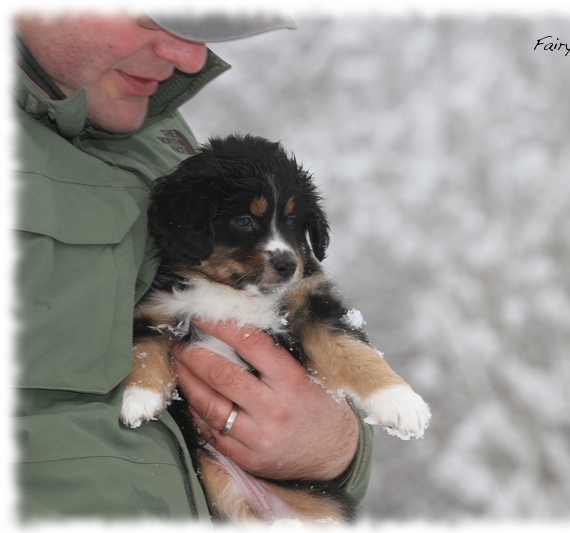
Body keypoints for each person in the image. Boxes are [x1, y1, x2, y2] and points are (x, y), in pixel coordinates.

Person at [12, 10, 372, 521]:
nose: (193, 55)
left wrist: (334, 448)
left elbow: (297, 312)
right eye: (146, 14)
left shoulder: (155, 130)